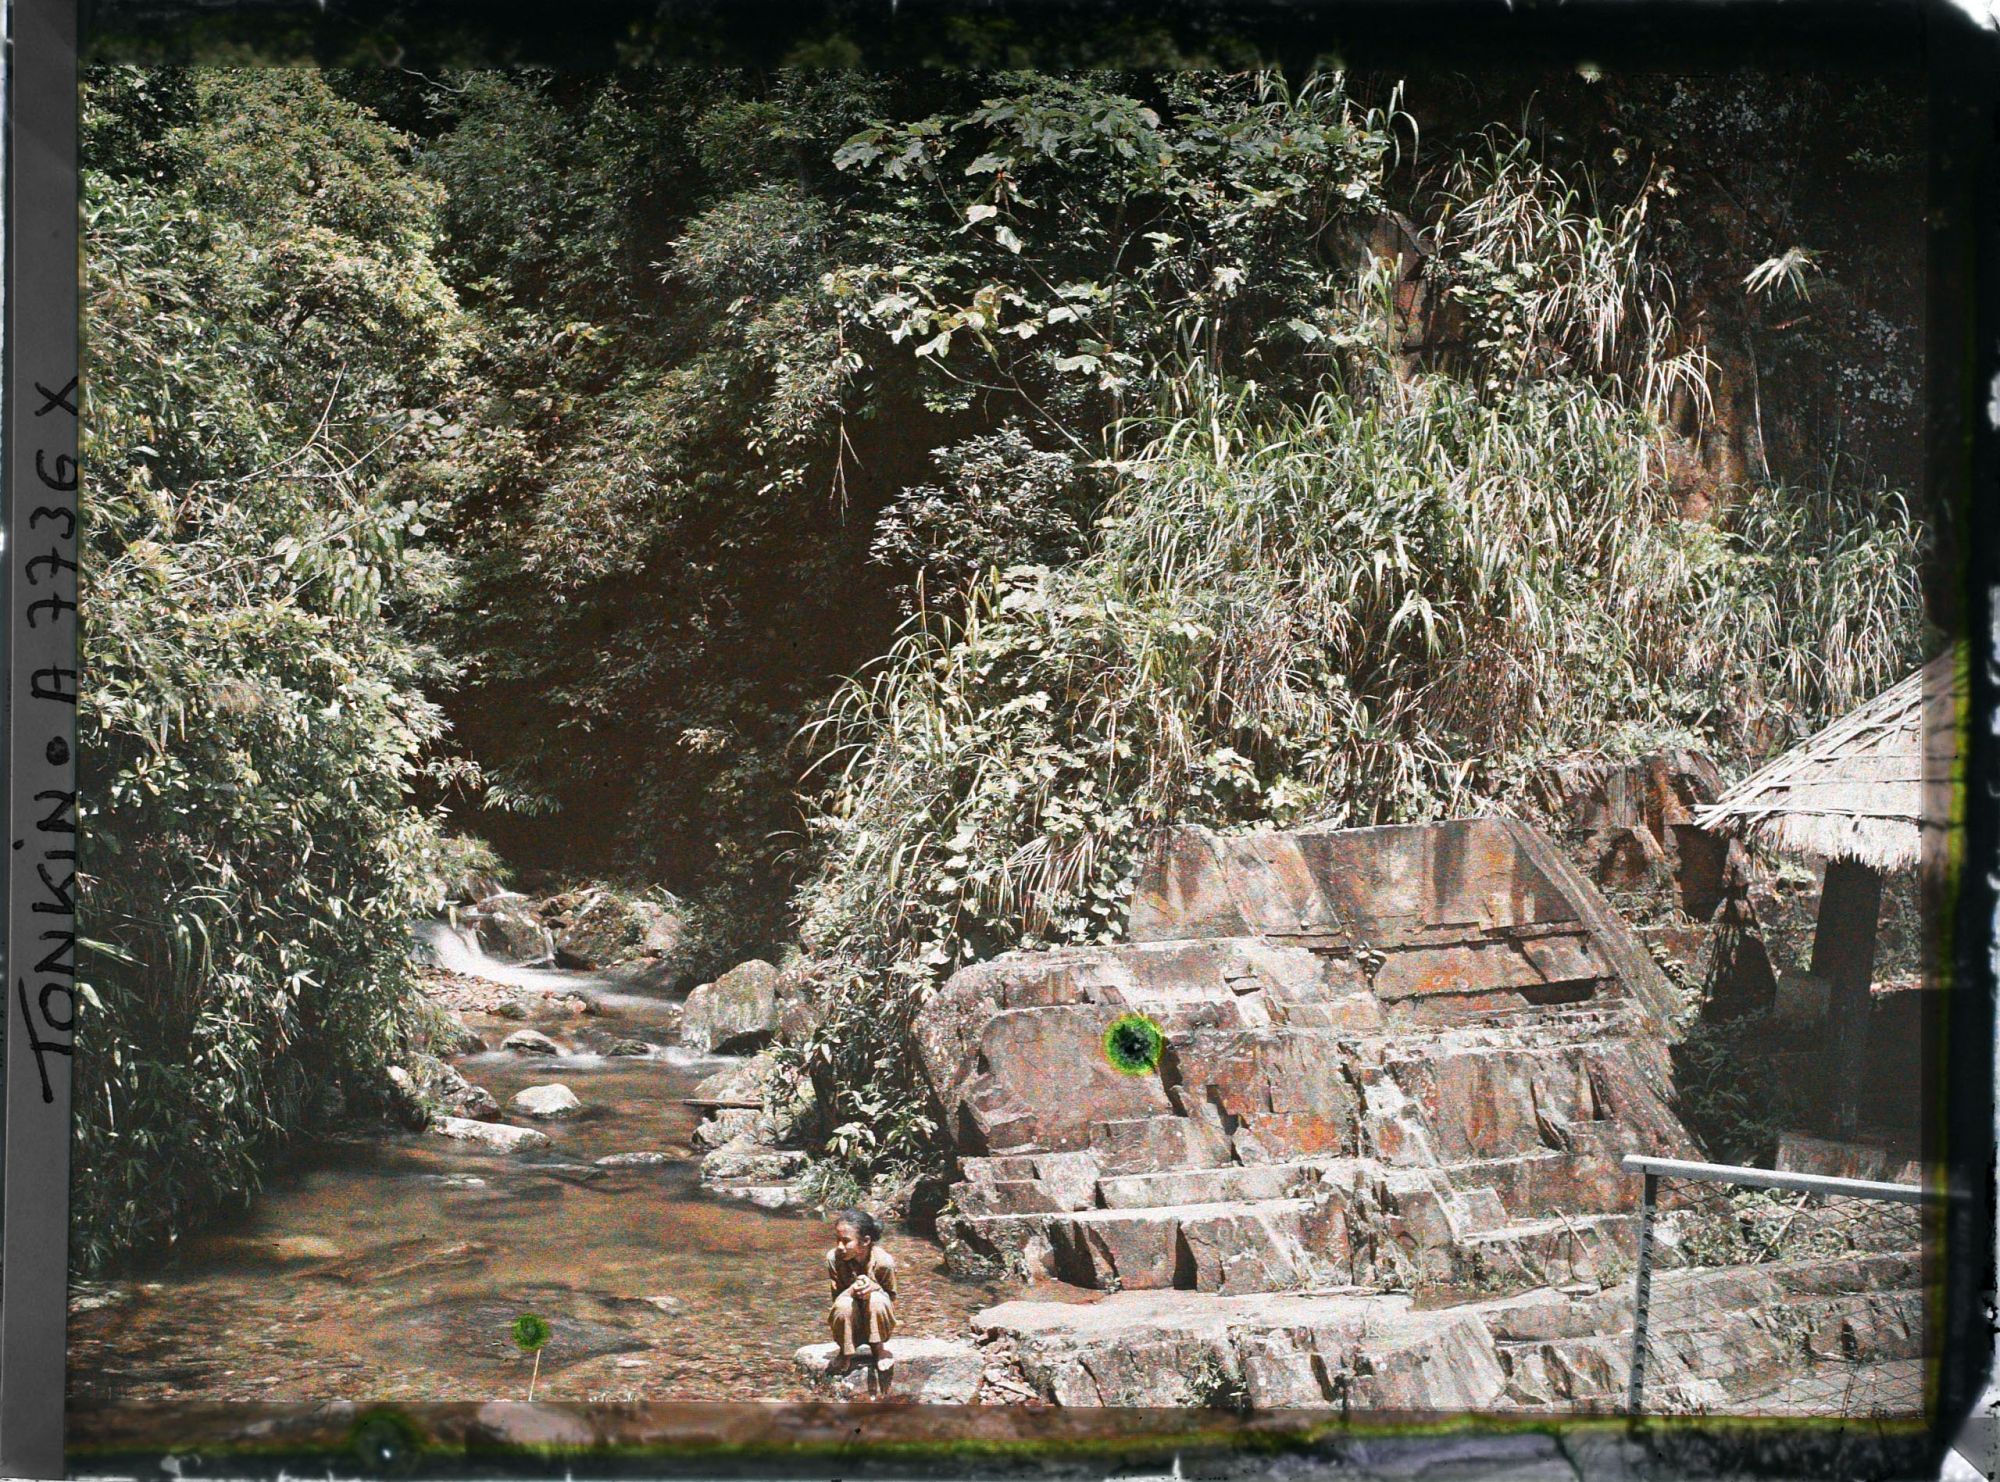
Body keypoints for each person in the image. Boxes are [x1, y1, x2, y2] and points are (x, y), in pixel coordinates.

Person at [825, 1208, 897, 1393]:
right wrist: (853, 1291)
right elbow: (837, 1299)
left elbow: (891, 1297)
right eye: (837, 1240)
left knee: (876, 1301)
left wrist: (875, 1288)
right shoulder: (834, 1259)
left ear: (865, 1241)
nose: (840, 1246)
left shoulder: (884, 1262)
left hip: (876, 1318)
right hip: (851, 1318)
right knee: (843, 1306)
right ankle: (846, 1351)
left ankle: (879, 1349)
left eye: (846, 1241)